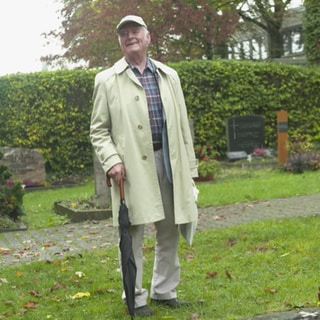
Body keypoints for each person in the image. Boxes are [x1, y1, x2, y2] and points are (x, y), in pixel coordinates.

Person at [90, 15, 198, 317]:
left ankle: (164, 291)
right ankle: (135, 297)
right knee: (133, 232)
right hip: (132, 169)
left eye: (135, 31)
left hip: (168, 161)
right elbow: (98, 130)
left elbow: (181, 128)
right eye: (123, 33)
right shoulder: (107, 79)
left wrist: (189, 170)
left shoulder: (168, 75)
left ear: (148, 37)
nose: (129, 36)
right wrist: (111, 160)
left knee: (169, 229)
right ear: (120, 42)